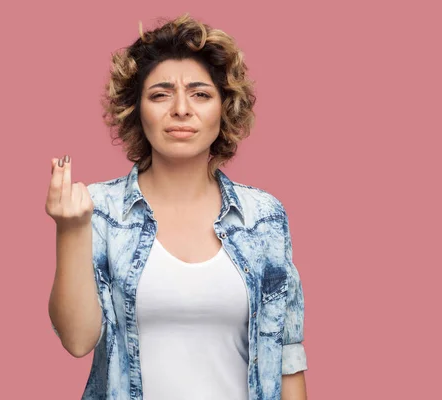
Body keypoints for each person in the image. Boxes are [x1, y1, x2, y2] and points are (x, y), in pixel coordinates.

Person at [46, 13, 308, 400]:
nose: (181, 109)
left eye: (200, 94)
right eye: (160, 94)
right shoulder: (99, 210)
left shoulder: (264, 216)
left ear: (224, 108)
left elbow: (287, 356)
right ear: (136, 110)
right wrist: (70, 229)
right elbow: (78, 340)